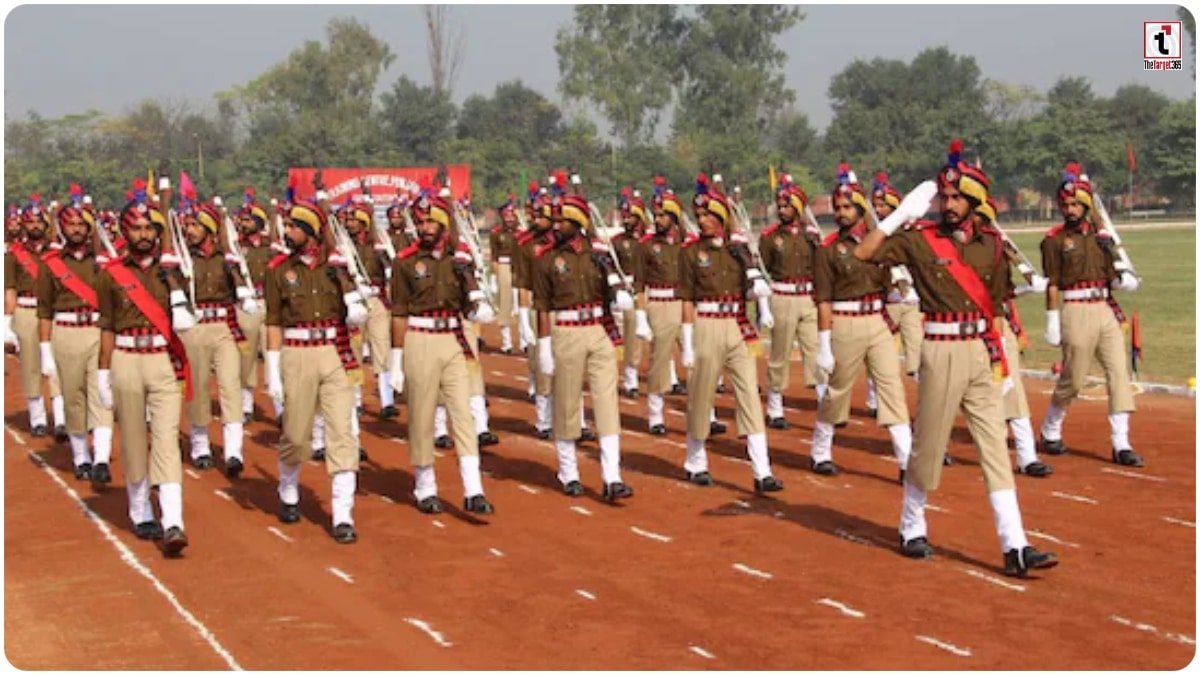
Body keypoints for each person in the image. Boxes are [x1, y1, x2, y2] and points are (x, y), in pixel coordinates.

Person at [854, 139, 1058, 577]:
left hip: (982, 350)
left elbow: (997, 306)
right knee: (929, 446)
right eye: (944, 197)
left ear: (975, 201)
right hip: (941, 348)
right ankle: (911, 527)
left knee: (994, 448)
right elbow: (864, 252)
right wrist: (897, 216)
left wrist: (1002, 363)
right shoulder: (920, 240)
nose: (947, 204)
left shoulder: (993, 246)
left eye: (956, 197)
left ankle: (1015, 545)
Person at [96, 188, 195, 555]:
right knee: (135, 439)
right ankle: (140, 511)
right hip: (125, 357)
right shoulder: (110, 275)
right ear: (125, 231)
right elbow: (107, 326)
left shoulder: (173, 270)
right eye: (136, 228)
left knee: (167, 438)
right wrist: (103, 373)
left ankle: (173, 521)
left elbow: (186, 319)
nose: (144, 234)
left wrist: (175, 282)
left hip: (161, 359)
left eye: (150, 228)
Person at [264, 200, 367, 544]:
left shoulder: (338, 266)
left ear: (310, 232)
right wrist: (273, 370)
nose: (287, 231)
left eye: (294, 226)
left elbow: (358, 313)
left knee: (342, 433)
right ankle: (288, 490)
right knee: (296, 435)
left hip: (335, 353)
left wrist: (351, 291)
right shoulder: (278, 270)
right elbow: (273, 322)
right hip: (296, 353)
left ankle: (343, 514)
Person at [388, 188, 496, 515]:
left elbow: (469, 303)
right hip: (419, 338)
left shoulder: (459, 260)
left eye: (430, 222)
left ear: (443, 225)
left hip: (453, 337)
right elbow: (399, 314)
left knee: (462, 412)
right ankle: (425, 487)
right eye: (420, 222)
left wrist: (477, 304)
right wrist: (396, 360)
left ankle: (473, 489)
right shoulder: (405, 262)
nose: (424, 228)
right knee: (421, 415)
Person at [677, 173, 783, 493]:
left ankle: (762, 470)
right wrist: (688, 341)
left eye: (708, 214)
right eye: (699, 215)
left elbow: (749, 285)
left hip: (738, 324)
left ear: (722, 216)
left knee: (748, 393)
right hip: (707, 323)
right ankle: (695, 461)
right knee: (702, 394)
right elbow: (687, 298)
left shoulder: (739, 249)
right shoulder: (690, 252)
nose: (702, 220)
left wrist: (758, 295)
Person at [810, 164, 913, 479]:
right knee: (838, 389)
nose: (840, 213)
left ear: (860, 209)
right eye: (837, 207)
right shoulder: (828, 250)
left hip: (878, 321)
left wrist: (901, 285)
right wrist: (824, 345)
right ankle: (820, 451)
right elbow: (823, 300)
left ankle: (906, 460)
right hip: (845, 322)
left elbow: (891, 284)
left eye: (846, 207)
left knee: (891, 387)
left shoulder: (878, 242)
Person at [532, 181, 633, 500]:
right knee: (567, 404)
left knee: (607, 403)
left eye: (562, 221)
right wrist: (544, 347)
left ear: (577, 222)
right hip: (566, 331)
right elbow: (542, 307)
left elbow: (615, 285)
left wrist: (620, 296)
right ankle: (569, 472)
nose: (555, 225)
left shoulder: (600, 254)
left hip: (599, 329)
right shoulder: (546, 259)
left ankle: (612, 476)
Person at [1039, 163, 1142, 467]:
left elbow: (1112, 272)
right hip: (1076, 309)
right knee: (1074, 378)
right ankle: (1050, 429)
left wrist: (1123, 279)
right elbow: (1053, 282)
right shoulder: (1054, 240)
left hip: (1105, 308)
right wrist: (1052, 319)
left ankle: (1121, 443)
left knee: (1119, 374)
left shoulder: (1102, 237)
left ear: (1086, 205)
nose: (1069, 210)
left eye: (1075, 204)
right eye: (1065, 204)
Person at [36, 190, 113, 481]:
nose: (77, 229)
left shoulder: (103, 262)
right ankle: (81, 457)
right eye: (71, 224)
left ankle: (101, 458)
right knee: (73, 397)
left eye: (82, 224)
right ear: (62, 228)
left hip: (97, 330)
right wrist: (45, 350)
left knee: (102, 394)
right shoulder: (50, 263)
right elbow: (44, 310)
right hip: (65, 332)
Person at [975, 198, 1053, 478]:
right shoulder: (949, 248)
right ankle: (930, 448)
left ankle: (1026, 455)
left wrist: (1028, 286)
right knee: (951, 391)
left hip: (998, 324)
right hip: (959, 326)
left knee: (1012, 390)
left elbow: (1004, 291)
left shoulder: (998, 249)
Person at [179, 200, 257, 477]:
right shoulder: (184, 259)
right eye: (188, 225)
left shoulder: (227, 258)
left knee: (230, 385)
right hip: (196, 327)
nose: (189, 230)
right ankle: (200, 446)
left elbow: (238, 285)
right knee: (199, 388)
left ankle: (234, 451)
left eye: (195, 225)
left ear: (210, 229)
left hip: (224, 327)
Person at [761, 175, 824, 429]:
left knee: (815, 351)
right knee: (780, 353)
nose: (782, 210)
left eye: (787, 206)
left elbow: (821, 267)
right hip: (783, 296)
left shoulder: (812, 236)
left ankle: (825, 402)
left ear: (798, 207)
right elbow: (764, 269)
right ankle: (775, 408)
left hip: (808, 297)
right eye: (780, 206)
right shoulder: (770, 237)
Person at [6, 194, 66, 438]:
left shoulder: (57, 253)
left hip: (53, 312)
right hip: (27, 310)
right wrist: (7, 325)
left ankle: (61, 418)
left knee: (58, 365)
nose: (34, 226)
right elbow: (10, 289)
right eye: (30, 222)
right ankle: (37, 418)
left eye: (38, 221)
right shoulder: (13, 255)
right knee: (31, 366)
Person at [641, 178, 687, 434]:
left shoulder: (688, 242)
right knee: (659, 359)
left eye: (662, 215)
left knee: (698, 357)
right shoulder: (647, 245)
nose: (657, 220)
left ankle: (708, 413)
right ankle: (656, 415)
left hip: (687, 304)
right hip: (660, 303)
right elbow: (639, 284)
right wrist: (641, 316)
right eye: (655, 215)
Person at [345, 200, 398, 420]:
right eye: (347, 220)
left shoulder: (377, 243)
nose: (348, 223)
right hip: (354, 302)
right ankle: (355, 400)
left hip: (376, 301)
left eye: (353, 220)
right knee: (354, 351)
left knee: (381, 348)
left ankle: (387, 401)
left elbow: (391, 269)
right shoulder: (343, 245)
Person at [233, 191, 277, 423]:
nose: (243, 223)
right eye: (242, 219)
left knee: (274, 354)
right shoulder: (236, 247)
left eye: (248, 219)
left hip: (268, 303)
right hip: (247, 305)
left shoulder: (271, 245)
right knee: (246, 356)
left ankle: (280, 406)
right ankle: (246, 404)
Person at [613, 188, 651, 398]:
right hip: (631, 291)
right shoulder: (617, 241)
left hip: (653, 290)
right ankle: (631, 378)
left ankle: (671, 376)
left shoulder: (652, 239)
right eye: (624, 215)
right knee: (632, 333)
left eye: (630, 216)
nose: (625, 220)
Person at [489, 196, 520, 354]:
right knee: (505, 304)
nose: (509, 218)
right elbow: (494, 256)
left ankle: (524, 341)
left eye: (512, 214)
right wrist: (494, 277)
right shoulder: (496, 233)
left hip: (520, 267)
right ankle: (506, 342)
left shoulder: (522, 233)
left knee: (522, 305)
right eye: (506, 215)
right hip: (504, 266)